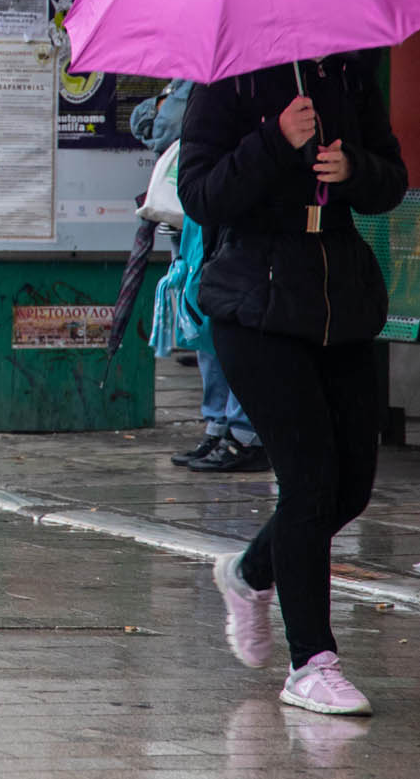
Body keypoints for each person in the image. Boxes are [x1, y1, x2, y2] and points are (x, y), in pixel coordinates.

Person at [179, 54, 406, 715]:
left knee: (350, 485)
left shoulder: (345, 70)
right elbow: (200, 192)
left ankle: (248, 572)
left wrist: (353, 169)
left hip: (338, 296)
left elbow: (390, 179)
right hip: (253, 299)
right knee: (308, 480)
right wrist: (273, 141)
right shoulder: (228, 78)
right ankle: (310, 660)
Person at [132, 81, 266, 474]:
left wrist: (165, 108)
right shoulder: (189, 78)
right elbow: (146, 120)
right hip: (191, 218)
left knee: (225, 321)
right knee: (202, 323)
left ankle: (242, 432)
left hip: (223, 217)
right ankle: (220, 424)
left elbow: (165, 124)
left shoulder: (224, 79)